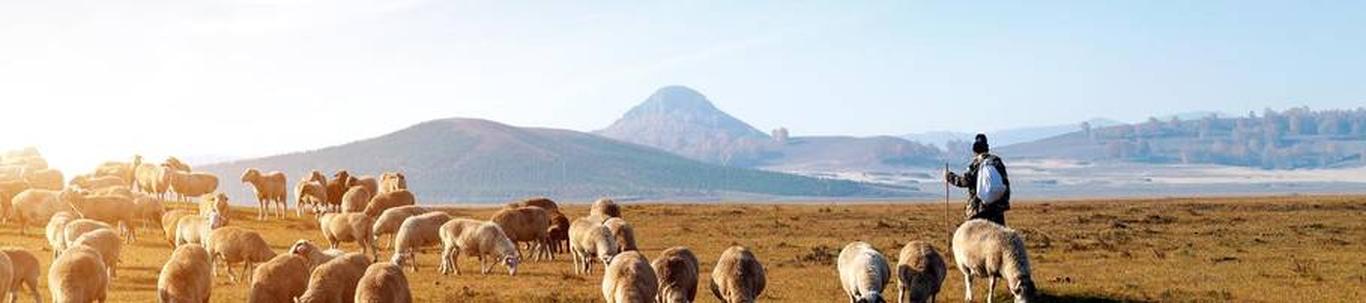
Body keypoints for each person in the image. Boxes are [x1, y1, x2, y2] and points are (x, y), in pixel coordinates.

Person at [945, 133, 1011, 225]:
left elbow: (964, 181)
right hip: (997, 209)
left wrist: (949, 176)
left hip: (979, 210)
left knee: (973, 237)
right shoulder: (997, 162)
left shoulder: (976, 164)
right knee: (998, 237)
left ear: (974, 151)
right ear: (987, 148)